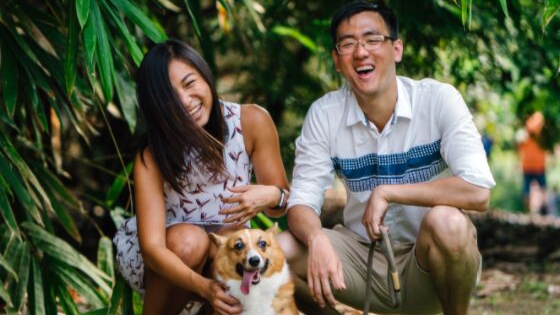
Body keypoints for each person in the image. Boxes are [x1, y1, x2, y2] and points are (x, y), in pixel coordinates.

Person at [277, 1, 495, 315]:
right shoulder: (325, 114)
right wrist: (315, 238)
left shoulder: (437, 101)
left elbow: (478, 191)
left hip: (430, 265)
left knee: (448, 222)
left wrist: (389, 192)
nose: (361, 52)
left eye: (372, 39)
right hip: (359, 263)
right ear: (337, 60)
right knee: (279, 252)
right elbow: (300, 204)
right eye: (348, 44)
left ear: (396, 49)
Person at [113, 39, 290, 315]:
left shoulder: (252, 121)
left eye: (189, 83)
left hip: (227, 251)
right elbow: (152, 249)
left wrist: (271, 194)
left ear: (205, 75)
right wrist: (203, 286)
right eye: (170, 98)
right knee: (190, 240)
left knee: (237, 247)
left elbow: (282, 204)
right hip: (171, 259)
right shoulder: (153, 154)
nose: (185, 102)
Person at [517, 111, 547, 214]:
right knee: (539, 188)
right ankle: (535, 211)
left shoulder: (529, 135)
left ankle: (532, 211)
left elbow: (519, 147)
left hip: (533, 166)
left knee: (531, 190)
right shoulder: (537, 135)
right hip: (534, 166)